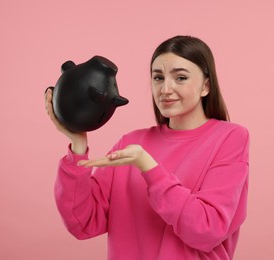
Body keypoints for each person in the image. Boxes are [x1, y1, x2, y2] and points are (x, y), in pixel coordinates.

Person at [45, 35, 249, 260]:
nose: (165, 89)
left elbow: (207, 230)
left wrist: (148, 166)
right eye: (158, 77)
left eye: (180, 77)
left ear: (206, 86)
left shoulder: (230, 137)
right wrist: (78, 146)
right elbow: (82, 222)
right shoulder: (131, 143)